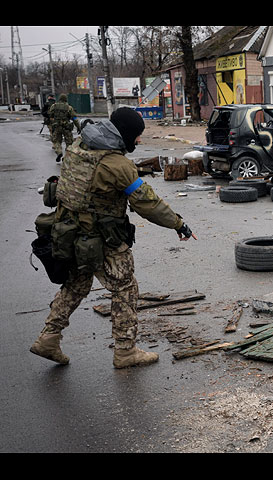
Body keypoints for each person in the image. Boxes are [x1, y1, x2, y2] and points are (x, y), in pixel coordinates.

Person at [30, 107, 197, 369]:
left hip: (67, 232)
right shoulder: (117, 165)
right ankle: (125, 351)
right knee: (125, 288)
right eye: (137, 135)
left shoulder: (79, 144)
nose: (139, 141)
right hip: (101, 238)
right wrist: (178, 224)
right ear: (126, 134)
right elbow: (147, 203)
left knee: (75, 285)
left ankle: (48, 338)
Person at [49, 93, 81, 162]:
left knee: (57, 141)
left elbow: (50, 116)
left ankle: (59, 152)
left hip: (57, 126)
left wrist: (53, 123)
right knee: (69, 143)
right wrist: (78, 127)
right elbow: (74, 118)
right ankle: (66, 156)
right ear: (66, 99)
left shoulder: (53, 106)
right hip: (66, 127)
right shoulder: (69, 107)